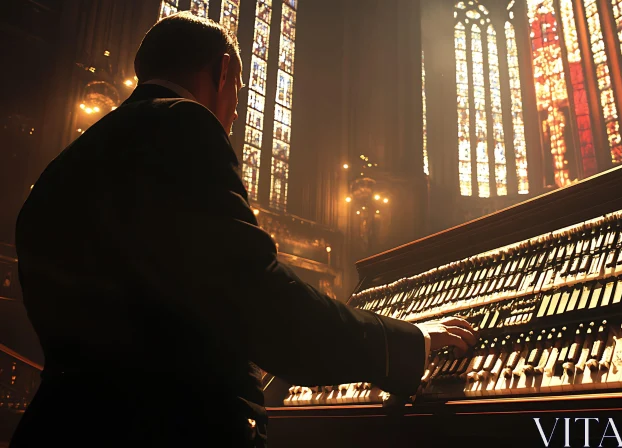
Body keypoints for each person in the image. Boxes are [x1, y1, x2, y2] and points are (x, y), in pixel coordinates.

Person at [11, 12, 477, 448]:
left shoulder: (61, 168)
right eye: (240, 92)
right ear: (226, 72)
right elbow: (256, 296)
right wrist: (410, 342)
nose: (235, 114)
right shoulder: (184, 121)